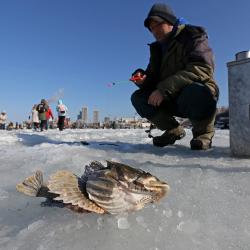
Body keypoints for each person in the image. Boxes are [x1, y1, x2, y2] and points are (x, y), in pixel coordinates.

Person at [130, 3, 219, 150]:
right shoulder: (157, 49)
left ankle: (203, 134)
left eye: (157, 25)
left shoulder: (192, 35)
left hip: (195, 94)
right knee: (139, 98)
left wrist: (163, 89)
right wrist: (143, 79)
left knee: (196, 91)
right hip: (171, 97)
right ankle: (172, 130)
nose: (154, 31)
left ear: (170, 21)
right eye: (151, 28)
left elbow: (201, 68)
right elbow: (152, 78)